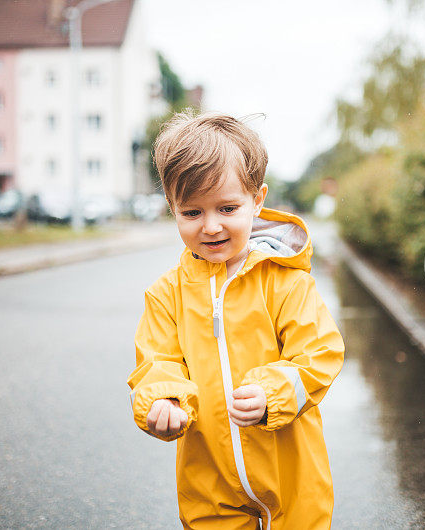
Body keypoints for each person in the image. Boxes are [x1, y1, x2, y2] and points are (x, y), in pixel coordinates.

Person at [127, 110, 345, 529]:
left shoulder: (284, 281)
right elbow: (157, 361)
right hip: (208, 475)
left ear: (257, 200)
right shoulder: (167, 293)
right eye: (191, 213)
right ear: (171, 207)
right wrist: (164, 399)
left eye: (227, 208)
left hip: (290, 468)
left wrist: (273, 393)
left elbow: (320, 352)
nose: (211, 227)